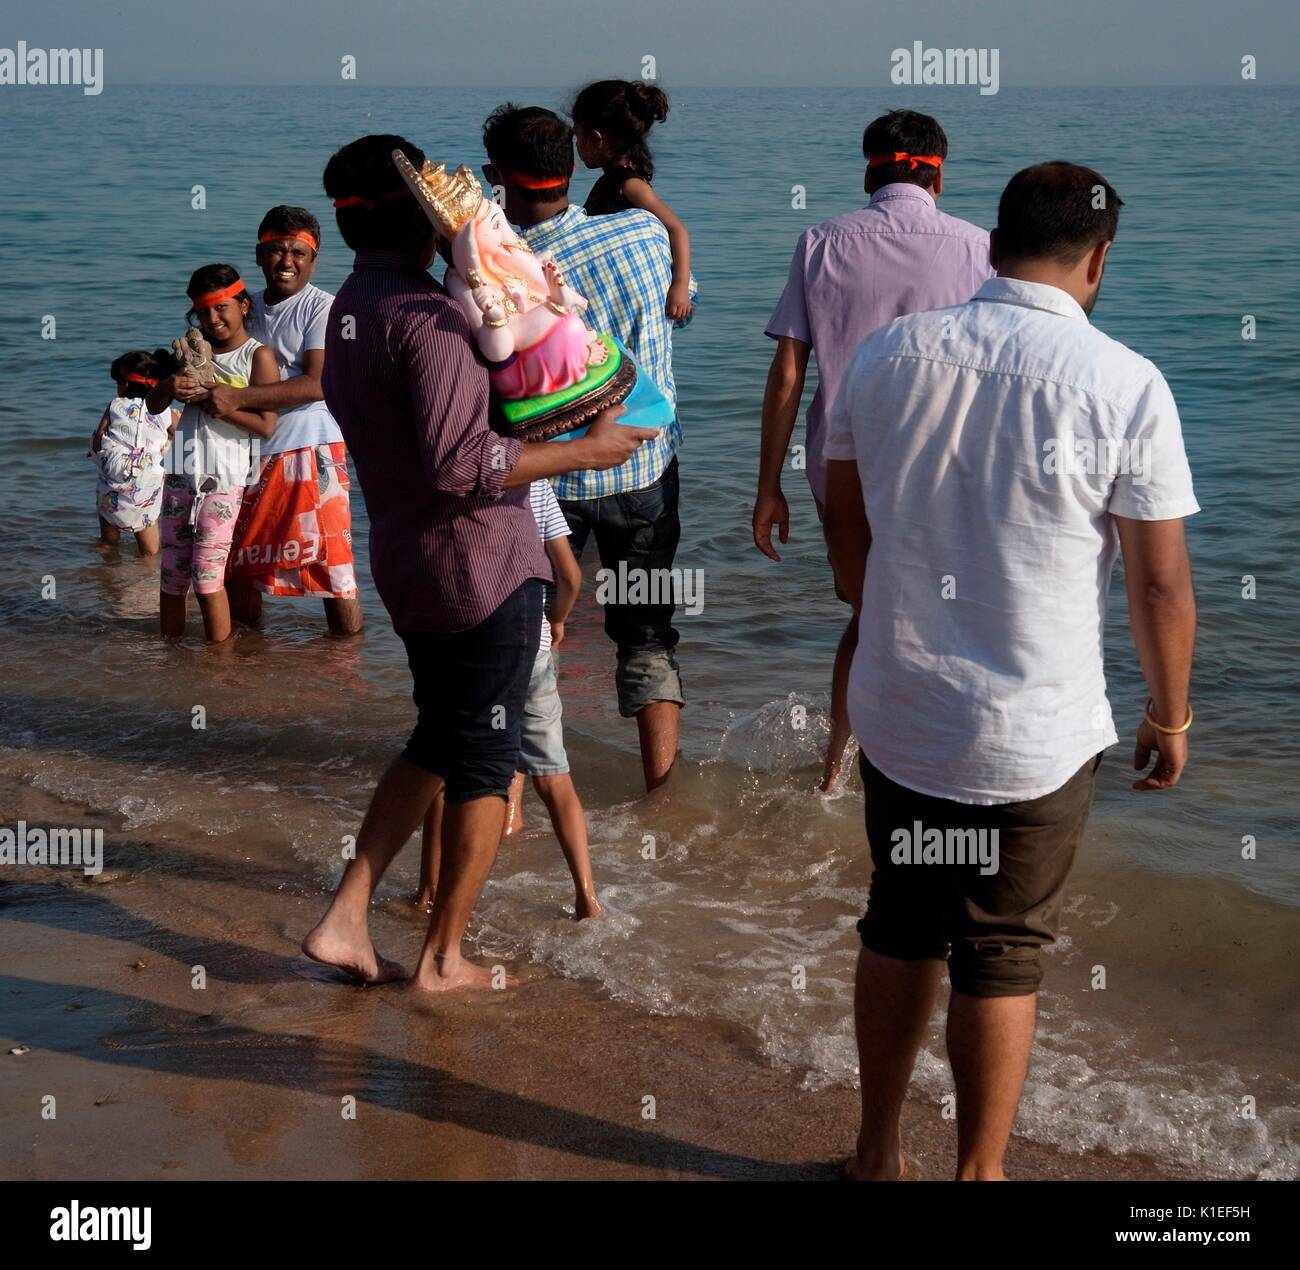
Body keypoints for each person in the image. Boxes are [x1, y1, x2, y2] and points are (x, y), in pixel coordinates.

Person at [822, 161, 1199, 1180]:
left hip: (902, 710)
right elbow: (1158, 586)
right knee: (999, 951)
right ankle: (977, 1175)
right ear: (1099, 260)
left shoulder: (887, 355)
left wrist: (878, 612)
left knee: (901, 923)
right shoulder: (1124, 384)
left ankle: (872, 1155)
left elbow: (840, 510)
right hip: (1032, 733)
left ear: (991, 243)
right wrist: (1169, 716)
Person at [300, 135, 654, 993]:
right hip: (479, 566)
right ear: (422, 217)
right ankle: (445, 958)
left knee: (437, 734)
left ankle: (347, 917)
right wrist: (589, 449)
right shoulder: (428, 316)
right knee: (487, 762)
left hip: (408, 559)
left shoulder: (349, 308)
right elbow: (465, 465)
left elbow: (441, 447)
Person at [755, 110, 993, 791]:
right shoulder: (980, 248)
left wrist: (769, 485)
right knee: (946, 622)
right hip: (948, 469)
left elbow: (788, 378)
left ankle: (837, 770)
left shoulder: (821, 242)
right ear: (938, 173)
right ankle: (939, 768)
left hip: (843, 469)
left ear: (869, 169)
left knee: (869, 617)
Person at [482, 103, 695, 792]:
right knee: (648, 637)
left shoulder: (501, 272)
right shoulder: (643, 233)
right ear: (573, 168)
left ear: (497, 176)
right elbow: (679, 311)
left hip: (551, 484)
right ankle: (661, 795)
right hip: (643, 472)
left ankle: (508, 808)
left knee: (526, 640)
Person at [418, 479, 602, 921]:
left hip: (475, 648)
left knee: (444, 769)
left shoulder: (451, 478)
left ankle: (427, 890)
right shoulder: (535, 482)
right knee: (555, 778)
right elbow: (570, 575)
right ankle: (587, 898)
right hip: (533, 644)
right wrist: (556, 620)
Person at [205, 206, 363, 636]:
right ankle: (246, 664)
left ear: (313, 259)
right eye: (276, 251)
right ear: (259, 256)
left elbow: (317, 384)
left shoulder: (323, 308)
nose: (286, 261)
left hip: (310, 448)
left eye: (298, 252)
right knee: (238, 564)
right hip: (245, 450)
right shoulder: (243, 306)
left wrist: (237, 397)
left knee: (332, 568)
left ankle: (348, 661)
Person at [147, 266, 278, 643]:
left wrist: (216, 400)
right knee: (172, 576)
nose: (212, 319)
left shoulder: (257, 357)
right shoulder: (188, 353)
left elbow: (267, 425)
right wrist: (171, 383)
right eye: (203, 312)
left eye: (221, 308)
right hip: (179, 475)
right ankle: (170, 653)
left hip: (224, 482)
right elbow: (153, 407)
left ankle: (217, 665)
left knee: (207, 580)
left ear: (243, 305)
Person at [572, 78, 693, 319]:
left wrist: (680, 285)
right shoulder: (613, 179)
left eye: (577, 136)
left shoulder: (629, 185)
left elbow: (676, 228)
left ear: (596, 138)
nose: (575, 144)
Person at [91, 349, 178, 556]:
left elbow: (98, 438)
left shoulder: (115, 405)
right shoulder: (164, 410)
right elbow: (182, 432)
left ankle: (107, 570)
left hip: (113, 476)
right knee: (149, 547)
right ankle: (146, 577)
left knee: (107, 537)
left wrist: (99, 452)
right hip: (145, 480)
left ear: (126, 384)